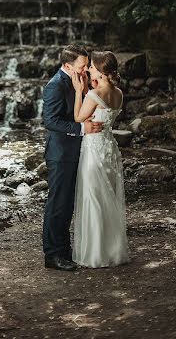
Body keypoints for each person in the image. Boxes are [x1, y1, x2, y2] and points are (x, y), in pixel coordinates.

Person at [42, 44, 104, 271]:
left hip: (75, 152)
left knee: (67, 204)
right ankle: (52, 255)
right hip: (60, 154)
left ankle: (64, 251)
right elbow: (50, 121)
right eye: (82, 66)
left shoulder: (78, 80)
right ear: (67, 65)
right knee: (57, 204)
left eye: (87, 65)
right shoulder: (55, 86)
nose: (86, 69)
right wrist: (81, 129)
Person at [71, 50, 131, 268]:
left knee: (94, 198)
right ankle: (112, 249)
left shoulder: (93, 95)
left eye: (92, 67)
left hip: (94, 149)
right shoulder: (118, 94)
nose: (88, 69)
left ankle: (96, 253)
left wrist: (80, 92)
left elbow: (79, 117)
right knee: (108, 197)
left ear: (102, 72)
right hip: (110, 148)